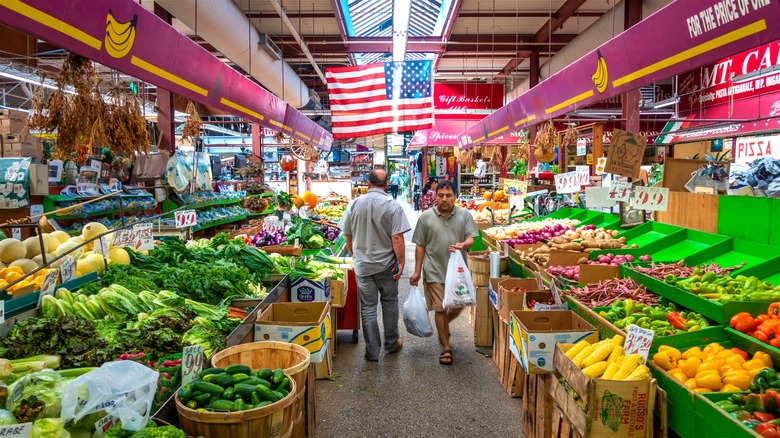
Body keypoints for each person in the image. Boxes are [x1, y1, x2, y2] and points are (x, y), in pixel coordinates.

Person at [341, 168, 410, 362]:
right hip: (386, 266)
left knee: (368, 307)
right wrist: (401, 261)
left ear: (368, 183)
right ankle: (391, 344)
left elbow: (347, 233)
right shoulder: (392, 206)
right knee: (389, 302)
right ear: (387, 185)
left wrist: (355, 255)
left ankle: (372, 352)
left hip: (363, 266)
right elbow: (397, 237)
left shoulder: (354, 205)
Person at [410, 180, 478, 365]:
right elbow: (420, 246)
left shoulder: (464, 215)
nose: (444, 199)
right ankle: (446, 347)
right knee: (440, 308)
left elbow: (471, 238)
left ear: (454, 197)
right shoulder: (425, 218)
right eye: (440, 195)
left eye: (448, 196)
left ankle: (443, 326)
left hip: (457, 272)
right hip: (434, 270)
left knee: (458, 305)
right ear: (436, 196)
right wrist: (417, 271)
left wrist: (463, 244)